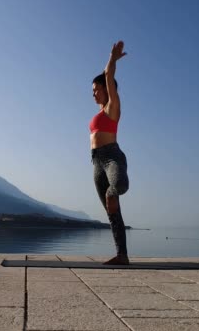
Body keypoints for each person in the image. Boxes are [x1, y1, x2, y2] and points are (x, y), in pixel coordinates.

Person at [89, 40, 130, 265]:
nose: (93, 94)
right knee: (112, 212)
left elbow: (108, 73)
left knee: (119, 186)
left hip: (112, 156)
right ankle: (122, 255)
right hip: (96, 163)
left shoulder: (112, 107)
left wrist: (112, 59)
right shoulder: (97, 113)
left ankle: (113, 191)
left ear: (106, 88)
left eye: (96, 90)